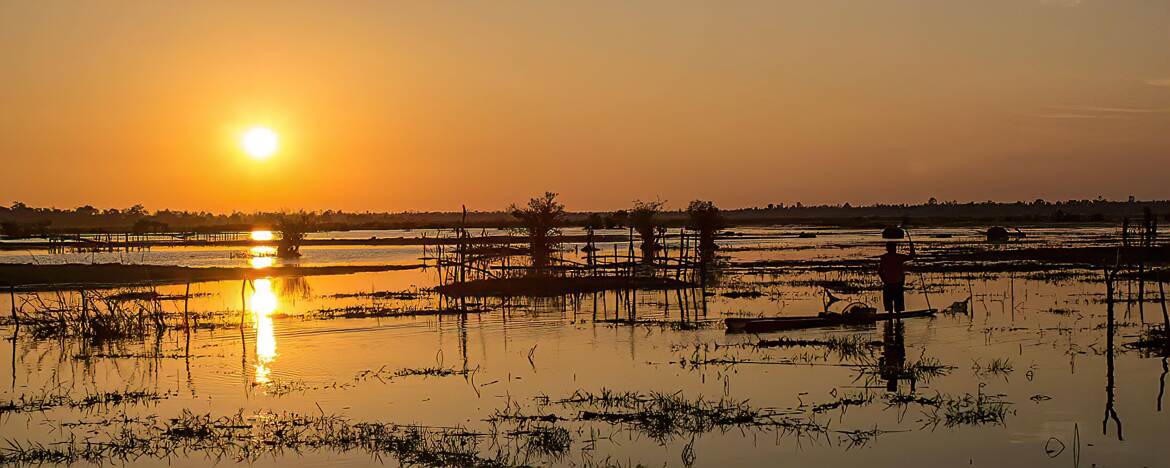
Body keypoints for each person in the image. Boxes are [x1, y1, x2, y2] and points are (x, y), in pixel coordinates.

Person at [878, 241, 915, 313]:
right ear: (894, 248)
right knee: (898, 308)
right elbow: (911, 256)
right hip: (897, 284)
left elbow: (880, 271)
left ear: (887, 248)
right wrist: (911, 246)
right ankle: (897, 322)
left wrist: (884, 280)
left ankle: (891, 321)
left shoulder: (884, 257)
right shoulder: (898, 257)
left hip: (889, 284)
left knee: (890, 309)